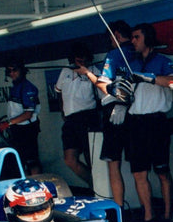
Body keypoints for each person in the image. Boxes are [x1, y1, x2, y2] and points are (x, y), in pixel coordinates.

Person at [75, 20, 134, 211]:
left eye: (111, 37)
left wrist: (86, 73)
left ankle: (119, 211)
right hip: (136, 112)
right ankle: (147, 212)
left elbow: (103, 84)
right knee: (139, 170)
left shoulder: (114, 54)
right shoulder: (138, 52)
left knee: (113, 165)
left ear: (116, 35)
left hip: (114, 112)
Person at [124, 22, 173, 222]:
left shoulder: (163, 61)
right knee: (139, 172)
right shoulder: (131, 63)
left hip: (157, 122)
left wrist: (150, 78)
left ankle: (167, 214)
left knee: (162, 172)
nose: (133, 41)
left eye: (136, 37)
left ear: (147, 38)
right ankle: (148, 216)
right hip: (136, 123)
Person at [55, 41, 99, 185]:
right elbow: (58, 92)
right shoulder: (65, 71)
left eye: (83, 57)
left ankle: (99, 190)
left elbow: (103, 89)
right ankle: (94, 184)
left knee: (91, 158)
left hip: (88, 118)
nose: (80, 59)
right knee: (70, 160)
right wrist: (63, 111)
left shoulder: (94, 70)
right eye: (77, 56)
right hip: (70, 120)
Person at [2, 59, 42, 175]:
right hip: (17, 129)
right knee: (20, 161)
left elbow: (28, 114)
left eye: (14, 70)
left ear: (22, 71)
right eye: (9, 71)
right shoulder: (16, 87)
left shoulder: (28, 87)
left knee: (32, 161)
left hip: (27, 129)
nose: (11, 74)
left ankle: (38, 188)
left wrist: (8, 123)